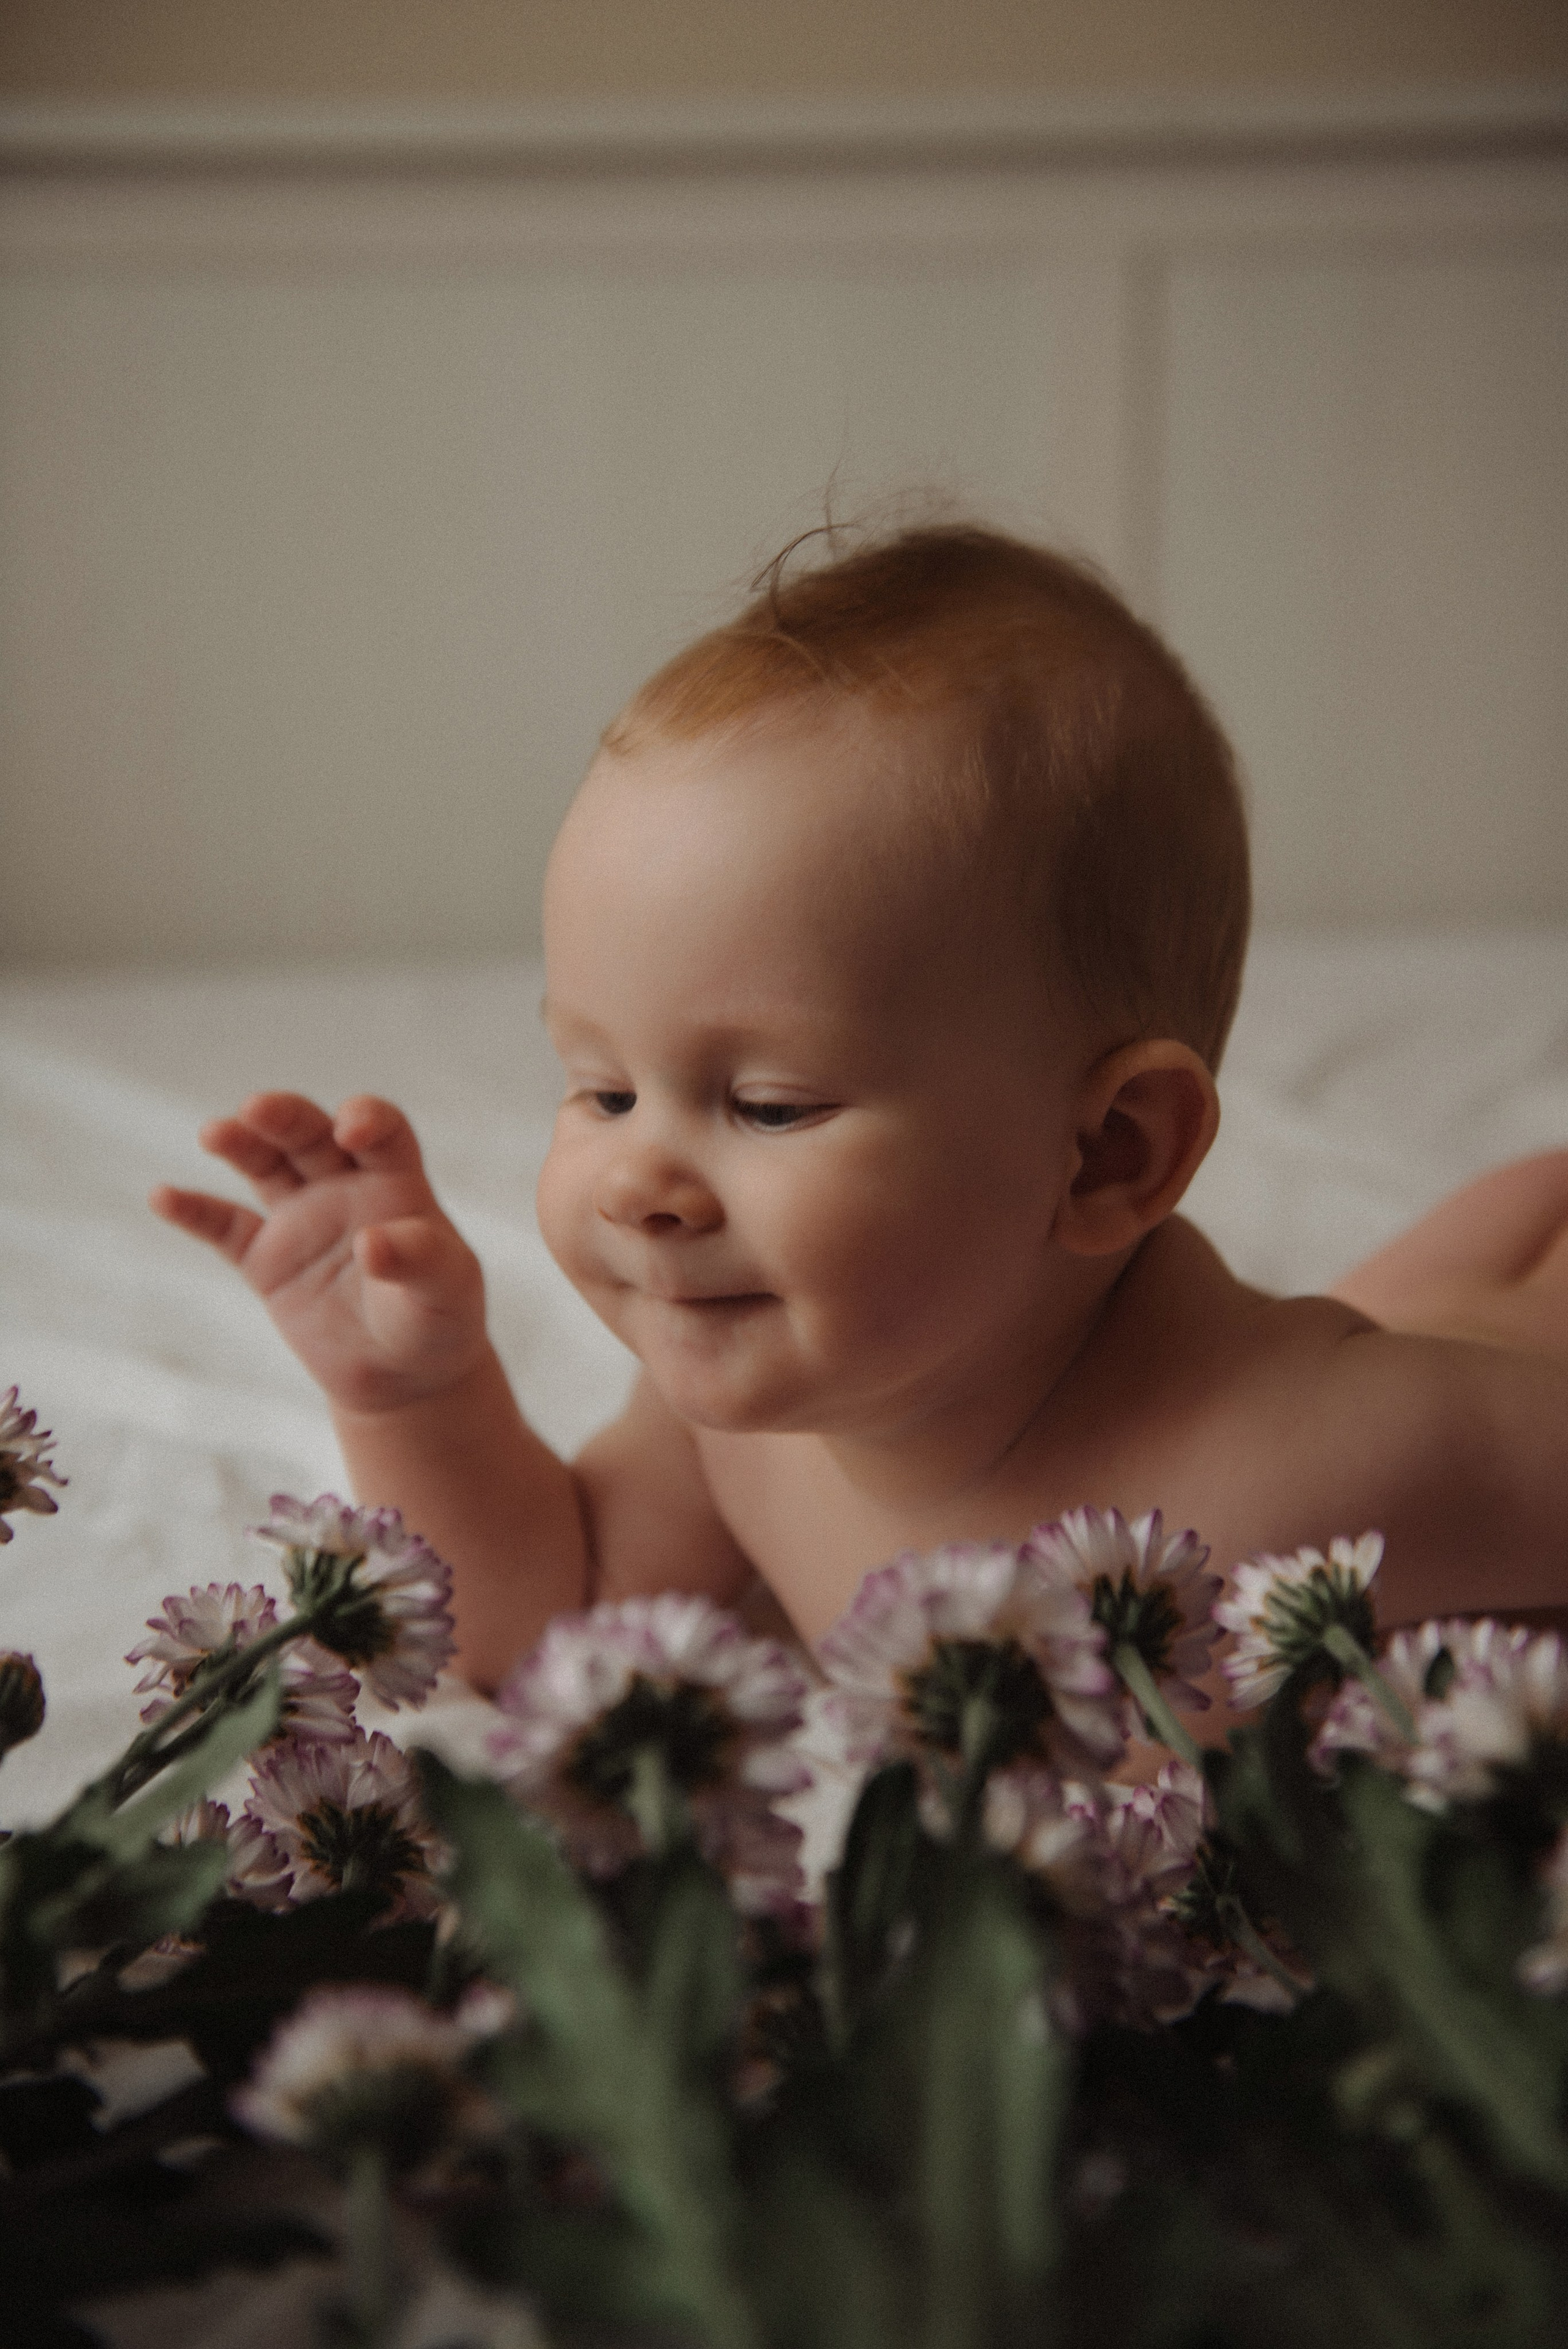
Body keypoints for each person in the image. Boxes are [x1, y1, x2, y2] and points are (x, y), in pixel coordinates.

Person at [149, 525, 1568, 1722]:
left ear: (1107, 1152)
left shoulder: (1332, 1460)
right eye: (602, 1089)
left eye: (765, 1104)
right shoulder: (748, 1423)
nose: (637, 1178)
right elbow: (547, 1628)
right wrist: (412, 1397)